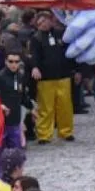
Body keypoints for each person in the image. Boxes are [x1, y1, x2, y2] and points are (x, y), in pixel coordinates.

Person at [29, 12, 77, 144]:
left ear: (51, 21)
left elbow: (71, 52)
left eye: (45, 21)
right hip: (46, 78)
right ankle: (44, 134)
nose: (42, 24)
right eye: (40, 22)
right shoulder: (36, 38)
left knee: (65, 105)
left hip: (63, 75)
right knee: (46, 107)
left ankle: (66, 131)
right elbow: (34, 55)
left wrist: (76, 70)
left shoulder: (61, 34)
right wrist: (35, 67)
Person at [0, 49, 35, 151]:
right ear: (6, 61)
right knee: (0, 152)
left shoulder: (20, 76)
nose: (13, 64)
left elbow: (22, 95)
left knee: (16, 151)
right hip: (2, 121)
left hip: (15, 119)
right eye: (11, 61)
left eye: (16, 62)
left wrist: (32, 108)